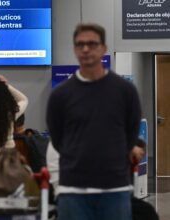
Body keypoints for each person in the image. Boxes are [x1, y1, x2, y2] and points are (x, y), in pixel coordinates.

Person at [46, 23, 142, 220]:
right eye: (80, 44)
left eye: (92, 43)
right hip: (73, 192)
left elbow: (130, 133)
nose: (86, 49)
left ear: (104, 48)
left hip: (115, 189)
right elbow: (58, 139)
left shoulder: (125, 91)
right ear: (74, 50)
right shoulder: (61, 95)